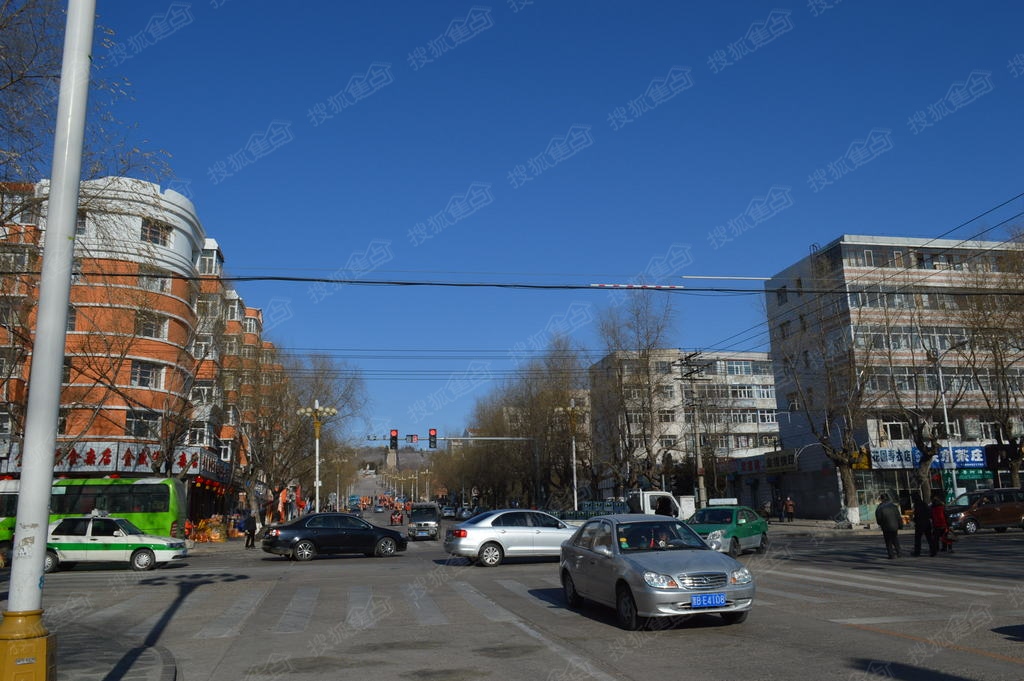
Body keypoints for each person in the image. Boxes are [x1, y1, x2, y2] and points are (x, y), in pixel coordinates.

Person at [875, 493, 903, 559]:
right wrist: (900, 525)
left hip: (886, 527)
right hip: (894, 526)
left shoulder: (880, 507)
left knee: (888, 541)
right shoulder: (893, 506)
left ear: (881, 499)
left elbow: (878, 518)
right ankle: (899, 553)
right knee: (895, 539)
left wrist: (880, 524)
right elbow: (898, 517)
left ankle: (891, 555)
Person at [911, 492, 935, 557]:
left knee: (918, 539)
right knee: (929, 538)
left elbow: (917, 515)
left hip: (920, 524)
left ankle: (917, 552)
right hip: (927, 523)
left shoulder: (916, 505)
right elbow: (929, 513)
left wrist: (914, 520)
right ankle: (933, 551)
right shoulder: (924, 504)